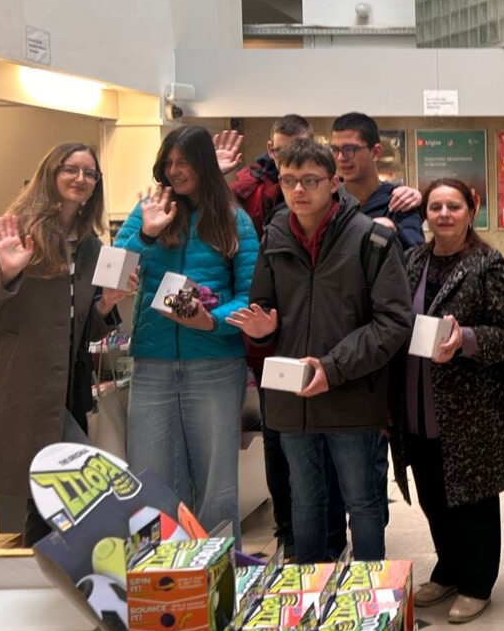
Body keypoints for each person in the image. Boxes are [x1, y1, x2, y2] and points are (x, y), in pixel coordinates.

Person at [229, 139, 413, 562]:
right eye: (289, 180)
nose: (298, 190)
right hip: (293, 401)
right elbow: (264, 312)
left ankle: (370, 591)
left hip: (353, 395)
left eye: (310, 180)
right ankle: (309, 590)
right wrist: (262, 333)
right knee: (304, 503)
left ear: (333, 182)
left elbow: (393, 322)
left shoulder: (371, 239)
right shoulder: (274, 237)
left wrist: (332, 368)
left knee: (363, 503)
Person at [0, 143, 130, 545]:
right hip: (20, 389)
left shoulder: (89, 245)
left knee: (50, 501)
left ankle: (46, 574)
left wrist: (107, 304)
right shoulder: (14, 231)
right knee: (78, 490)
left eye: (90, 173)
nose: (81, 179)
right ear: (51, 173)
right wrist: (6, 274)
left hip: (67, 391)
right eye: (71, 169)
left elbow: (81, 329)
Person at [390, 178, 504, 622]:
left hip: (472, 407)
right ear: (425, 215)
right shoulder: (412, 260)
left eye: (454, 206)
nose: (444, 214)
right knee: (432, 492)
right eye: (435, 207)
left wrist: (465, 339)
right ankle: (449, 568)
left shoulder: (488, 264)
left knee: (473, 498)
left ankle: (477, 582)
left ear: (471, 211)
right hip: (417, 398)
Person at [115, 126, 260, 535]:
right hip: (153, 363)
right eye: (168, 162)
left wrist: (211, 321)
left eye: (184, 162)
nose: (174, 171)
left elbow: (250, 295)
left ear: (204, 164)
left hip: (215, 365)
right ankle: (162, 566)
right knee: (151, 482)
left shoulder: (233, 219)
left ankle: (218, 567)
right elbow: (114, 274)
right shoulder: (147, 210)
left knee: (217, 486)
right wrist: (146, 234)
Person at [224, 113, 343, 560]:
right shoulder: (247, 191)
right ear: (270, 150)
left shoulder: (339, 203)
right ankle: (290, 535)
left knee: (330, 447)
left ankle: (331, 537)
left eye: (307, 176)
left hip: (326, 349)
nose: (298, 186)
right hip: (271, 347)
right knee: (278, 444)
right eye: (280, 152)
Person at [329, 113, 425, 248]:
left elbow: (415, 250)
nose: (340, 158)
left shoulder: (397, 202)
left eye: (350, 149)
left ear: (375, 152)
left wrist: (392, 232)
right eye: (335, 149)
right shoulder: (327, 201)